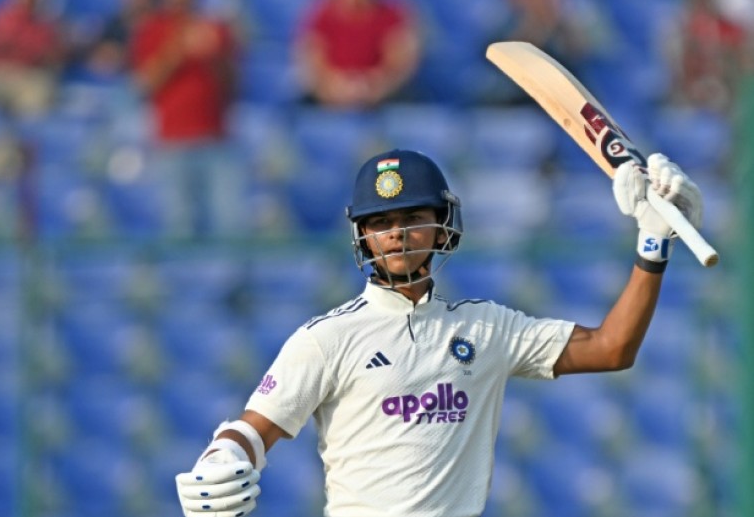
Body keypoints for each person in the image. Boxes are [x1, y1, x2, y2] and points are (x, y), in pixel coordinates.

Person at [173, 148, 704, 516]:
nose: (398, 233)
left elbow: (612, 348)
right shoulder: (326, 338)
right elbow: (253, 428)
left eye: (412, 216)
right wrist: (225, 454)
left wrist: (652, 243)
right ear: (362, 235)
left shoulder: (486, 326)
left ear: (442, 222)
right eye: (381, 222)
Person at [127, 0, 243, 238]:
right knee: (179, 225)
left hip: (216, 141)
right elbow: (145, 83)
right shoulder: (153, 28)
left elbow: (234, 85)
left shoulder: (216, 28)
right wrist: (178, 48)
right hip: (173, 143)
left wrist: (215, 54)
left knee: (230, 224)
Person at [294, 0, 420, 109]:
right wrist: (334, 88)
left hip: (379, 101)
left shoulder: (391, 14)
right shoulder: (320, 14)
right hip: (329, 100)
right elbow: (312, 61)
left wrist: (373, 86)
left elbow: (398, 65)